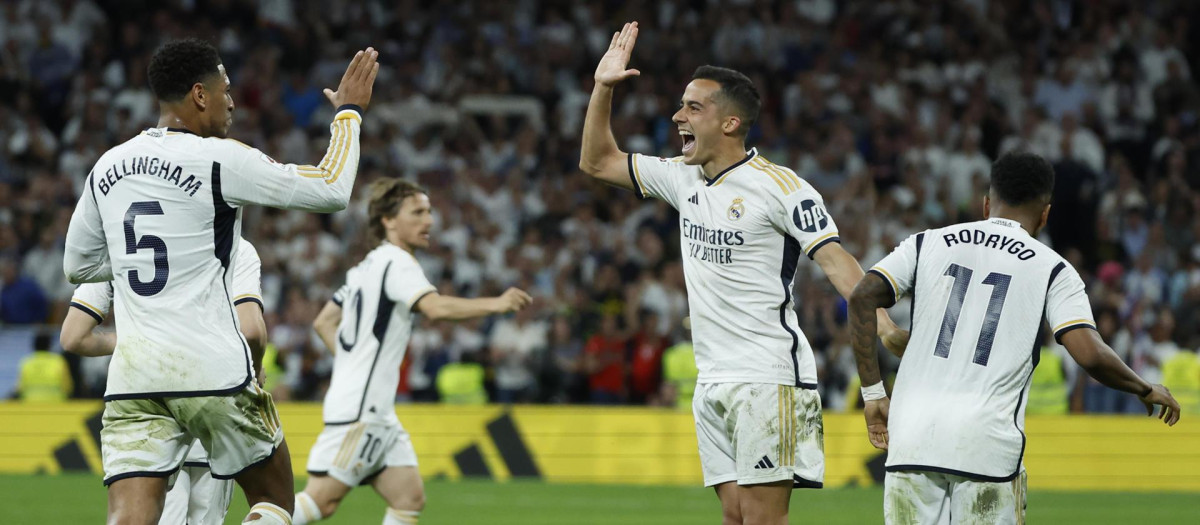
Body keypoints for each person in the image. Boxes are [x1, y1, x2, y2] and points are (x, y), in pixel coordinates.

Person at [578, 22, 906, 525]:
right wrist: (603, 88)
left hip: (768, 375)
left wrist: (882, 325)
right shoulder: (681, 176)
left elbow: (835, 258)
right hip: (712, 379)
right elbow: (598, 162)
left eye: (693, 107)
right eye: (681, 105)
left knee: (762, 520)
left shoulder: (781, 187)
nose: (677, 115)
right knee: (734, 515)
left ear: (729, 123)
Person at [61, 37, 379, 525]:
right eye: (225, 89)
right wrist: (350, 114)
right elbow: (331, 188)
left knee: (128, 520)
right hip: (210, 366)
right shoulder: (219, 158)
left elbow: (77, 267)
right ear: (199, 95)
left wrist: (135, 259)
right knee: (275, 501)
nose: (232, 100)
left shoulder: (108, 165)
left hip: (134, 376)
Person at [847, 151, 1181, 524]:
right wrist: (1144, 387)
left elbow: (862, 297)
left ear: (987, 203)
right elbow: (1088, 353)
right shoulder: (1053, 269)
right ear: (1045, 214)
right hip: (986, 447)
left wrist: (874, 393)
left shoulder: (928, 243)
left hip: (911, 439)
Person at [293, 178, 531, 525]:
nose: (429, 221)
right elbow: (434, 308)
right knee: (320, 502)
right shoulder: (398, 262)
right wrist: (496, 303)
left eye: (429, 212)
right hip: (362, 409)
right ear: (388, 221)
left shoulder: (364, 267)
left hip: (375, 409)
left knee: (408, 497)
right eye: (417, 212)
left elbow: (324, 322)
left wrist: (350, 367)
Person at [60, 237, 266, 525]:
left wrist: (134, 340)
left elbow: (73, 337)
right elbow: (252, 331)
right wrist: (255, 369)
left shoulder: (119, 239)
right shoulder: (235, 244)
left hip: (147, 406)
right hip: (214, 396)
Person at [16, 333, 71, 401]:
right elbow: (68, 387)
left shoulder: (27, 362)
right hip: (55, 406)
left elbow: (19, 388)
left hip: (30, 406)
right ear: (49, 345)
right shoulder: (58, 362)